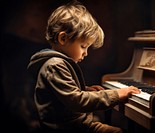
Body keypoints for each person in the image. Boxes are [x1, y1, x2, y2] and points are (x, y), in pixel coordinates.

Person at [27, 1, 140, 133]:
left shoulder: (55, 64)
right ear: (63, 38)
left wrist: (87, 91)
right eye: (83, 46)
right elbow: (77, 101)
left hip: (75, 124)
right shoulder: (54, 65)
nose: (86, 53)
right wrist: (117, 94)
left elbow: (65, 95)